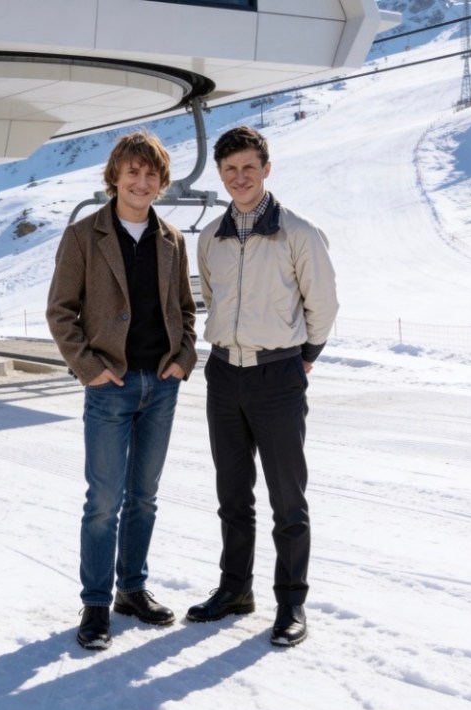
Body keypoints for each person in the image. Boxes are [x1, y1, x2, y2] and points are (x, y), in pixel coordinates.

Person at [188, 126, 339, 647]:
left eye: (249, 167)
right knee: (232, 494)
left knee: (287, 499)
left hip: (278, 376)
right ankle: (235, 590)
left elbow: (323, 304)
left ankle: (292, 603)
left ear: (266, 168)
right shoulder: (211, 237)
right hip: (223, 374)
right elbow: (209, 294)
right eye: (229, 170)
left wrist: (305, 359)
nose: (239, 178)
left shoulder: (298, 232)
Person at [47, 131, 198, 650]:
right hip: (108, 385)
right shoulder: (84, 236)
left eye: (151, 173)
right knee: (104, 500)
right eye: (132, 172)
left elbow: (186, 310)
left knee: (145, 498)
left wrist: (182, 360)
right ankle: (95, 603)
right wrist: (88, 368)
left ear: (161, 182)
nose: (142, 181)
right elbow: (61, 312)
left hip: (161, 386)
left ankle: (132, 591)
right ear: (115, 176)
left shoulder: (172, 239)